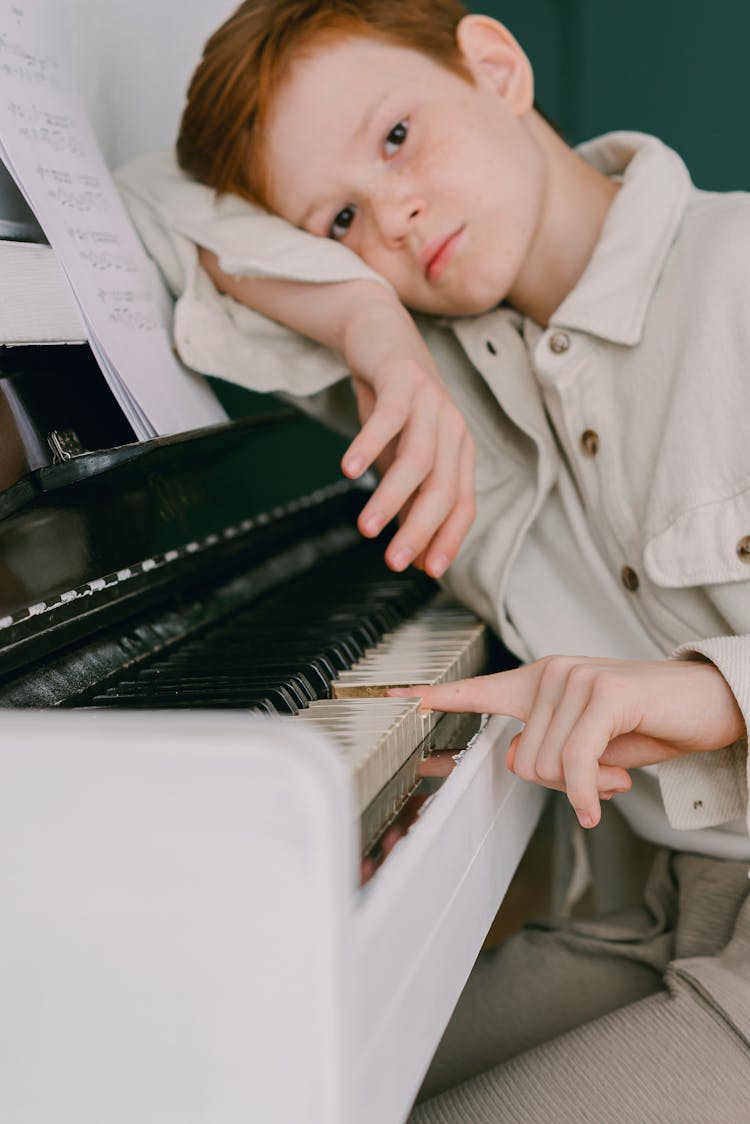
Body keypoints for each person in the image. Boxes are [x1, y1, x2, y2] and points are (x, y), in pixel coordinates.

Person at [115, 1, 750, 1118]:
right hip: (650, 912)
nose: (394, 214)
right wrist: (371, 325)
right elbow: (151, 203)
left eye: (398, 135)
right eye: (342, 215)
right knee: (253, 1087)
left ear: (495, 65)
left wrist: (717, 693)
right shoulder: (421, 382)